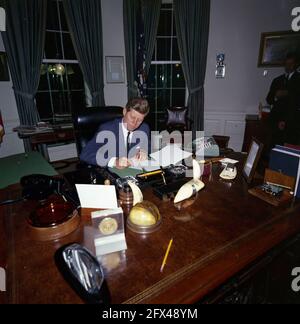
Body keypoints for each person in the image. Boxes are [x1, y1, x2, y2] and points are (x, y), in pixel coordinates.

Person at [80, 98, 151, 169]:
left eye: (139, 120)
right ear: (124, 111)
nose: (134, 123)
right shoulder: (107, 129)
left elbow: (148, 147)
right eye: (132, 117)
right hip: (110, 172)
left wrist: (144, 151)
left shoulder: (144, 128)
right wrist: (114, 162)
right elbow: (85, 154)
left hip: (133, 172)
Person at [266, 53, 300, 146]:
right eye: (286, 63)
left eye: (291, 64)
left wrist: (287, 93)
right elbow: (269, 99)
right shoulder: (277, 80)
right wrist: (275, 95)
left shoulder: (298, 79)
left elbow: (295, 101)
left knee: (289, 147)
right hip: (276, 120)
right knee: (274, 146)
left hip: (292, 122)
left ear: (296, 65)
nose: (288, 66)